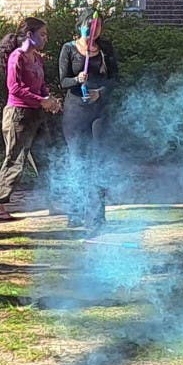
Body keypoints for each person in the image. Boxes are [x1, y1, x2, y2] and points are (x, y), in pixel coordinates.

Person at [0, 17, 61, 222]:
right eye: (42, 34)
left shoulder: (37, 58)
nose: (46, 38)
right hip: (18, 115)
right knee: (15, 159)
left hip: (36, 114)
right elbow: (15, 88)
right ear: (29, 35)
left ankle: (53, 202)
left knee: (44, 158)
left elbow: (41, 86)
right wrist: (42, 101)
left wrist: (50, 99)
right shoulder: (17, 57)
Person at [57, 16, 117, 232]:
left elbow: (115, 79)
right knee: (77, 161)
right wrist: (77, 80)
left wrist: (100, 92)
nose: (94, 29)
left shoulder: (105, 48)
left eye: (98, 25)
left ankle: (98, 214)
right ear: (80, 26)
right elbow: (63, 81)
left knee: (98, 159)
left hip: (98, 111)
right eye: (90, 25)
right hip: (75, 112)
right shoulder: (69, 49)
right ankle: (75, 211)